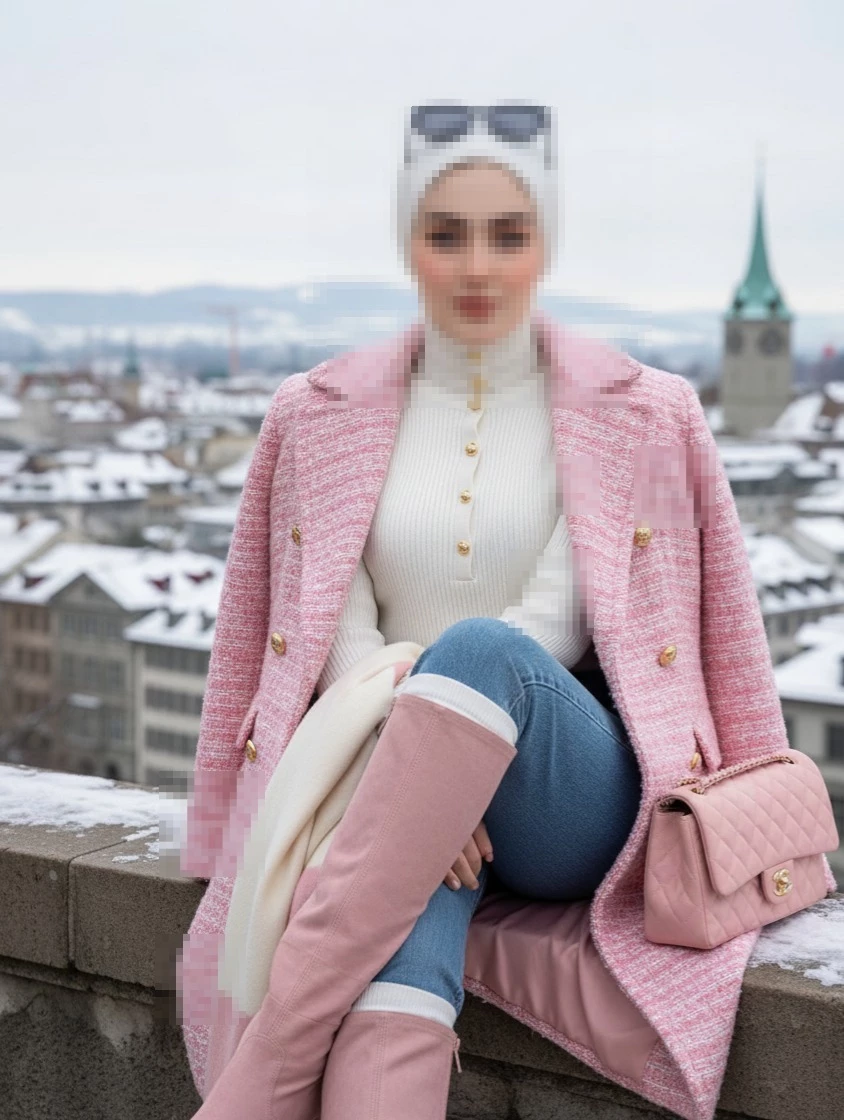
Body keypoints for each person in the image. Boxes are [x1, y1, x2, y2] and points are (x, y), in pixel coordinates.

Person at [181, 103, 826, 1120]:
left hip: (571, 799)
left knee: (481, 650)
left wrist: (410, 767)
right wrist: (417, 787)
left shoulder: (641, 411)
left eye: (507, 234)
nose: (476, 264)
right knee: (399, 963)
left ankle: (262, 1078)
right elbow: (322, 626)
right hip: (389, 796)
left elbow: (560, 622)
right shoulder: (316, 415)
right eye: (446, 234)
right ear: (408, 243)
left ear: (544, 244)